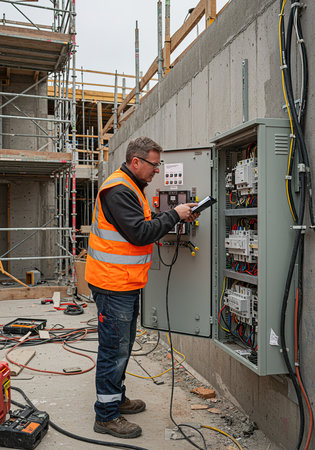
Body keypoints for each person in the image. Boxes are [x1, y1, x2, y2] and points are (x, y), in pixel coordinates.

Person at [85, 136, 199, 439]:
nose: (157, 171)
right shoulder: (118, 189)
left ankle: (116, 399)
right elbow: (139, 233)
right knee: (114, 349)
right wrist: (174, 215)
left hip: (124, 282)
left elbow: (140, 226)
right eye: (153, 164)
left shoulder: (132, 187)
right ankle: (106, 416)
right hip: (112, 284)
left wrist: (172, 216)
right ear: (136, 162)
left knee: (122, 345)